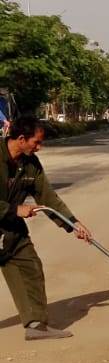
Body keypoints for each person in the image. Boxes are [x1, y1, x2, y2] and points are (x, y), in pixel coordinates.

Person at [1, 115, 93, 339]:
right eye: (36, 142)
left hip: (12, 231)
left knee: (30, 267)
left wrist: (73, 223)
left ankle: (35, 325)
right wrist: (15, 209)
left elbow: (48, 196)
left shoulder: (30, 164)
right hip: (8, 217)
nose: (39, 148)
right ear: (21, 138)